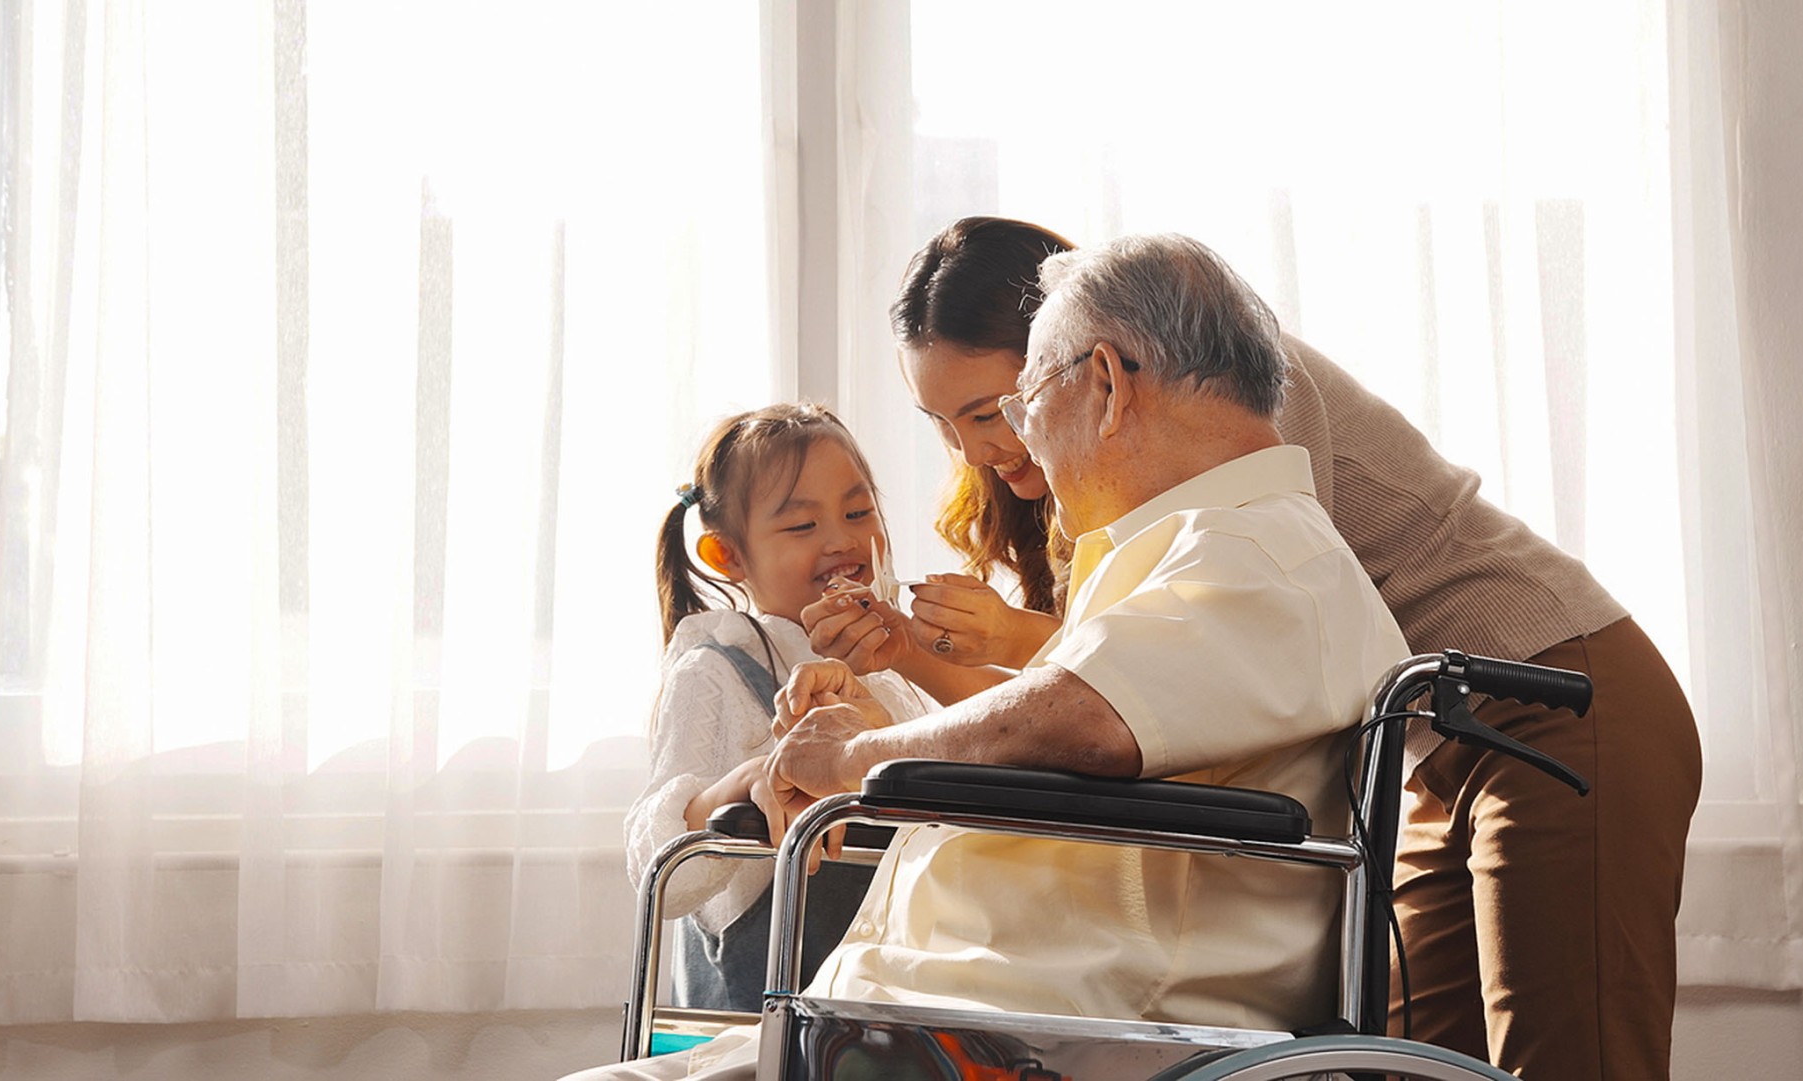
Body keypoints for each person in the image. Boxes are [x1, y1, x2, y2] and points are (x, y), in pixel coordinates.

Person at [814, 215, 1701, 1080]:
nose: (978, 446)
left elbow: (1188, 654)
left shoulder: (1231, 425)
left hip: (1555, 692)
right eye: (946, 424)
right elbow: (1137, 669)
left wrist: (867, 748)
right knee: (1408, 1050)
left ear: (1102, 371)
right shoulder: (1127, 461)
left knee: (1571, 1058)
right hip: (1434, 740)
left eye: (996, 406)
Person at [566, 234, 1410, 1080]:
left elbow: (1082, 717)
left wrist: (851, 756)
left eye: (1022, 403)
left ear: (1108, 386)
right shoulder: (1195, 551)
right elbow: (1088, 718)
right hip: (952, 1016)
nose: (1011, 442)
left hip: (1032, 1033)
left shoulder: (1253, 551)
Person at [631, 403, 934, 1011]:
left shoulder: (895, 668)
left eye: (858, 511)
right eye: (801, 526)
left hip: (890, 1009)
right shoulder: (716, 670)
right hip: (766, 1022)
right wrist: (744, 784)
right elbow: (660, 871)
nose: (843, 540)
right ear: (729, 557)